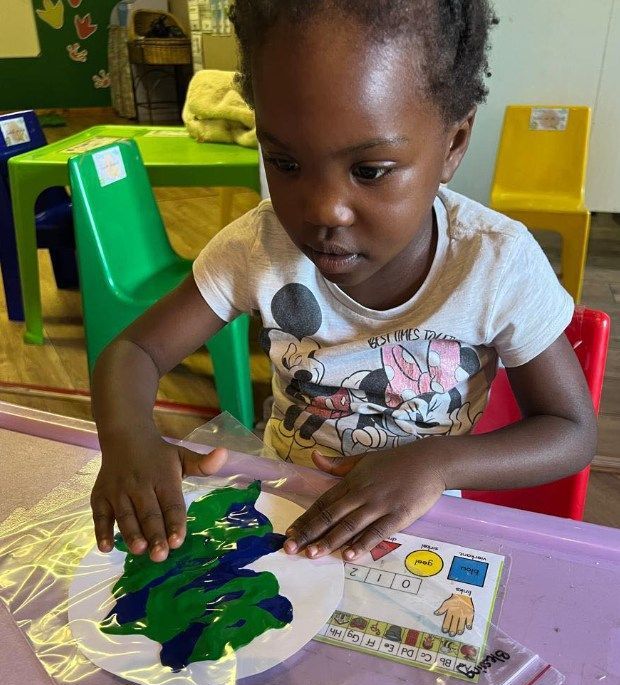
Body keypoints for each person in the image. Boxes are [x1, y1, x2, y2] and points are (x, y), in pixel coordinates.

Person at [90, 0, 596, 565]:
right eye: (284, 163)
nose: (323, 209)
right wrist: (129, 439)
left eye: (369, 171)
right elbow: (133, 351)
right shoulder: (257, 249)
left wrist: (437, 462)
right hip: (285, 520)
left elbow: (571, 431)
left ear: (453, 145)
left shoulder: (495, 264)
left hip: (416, 527)